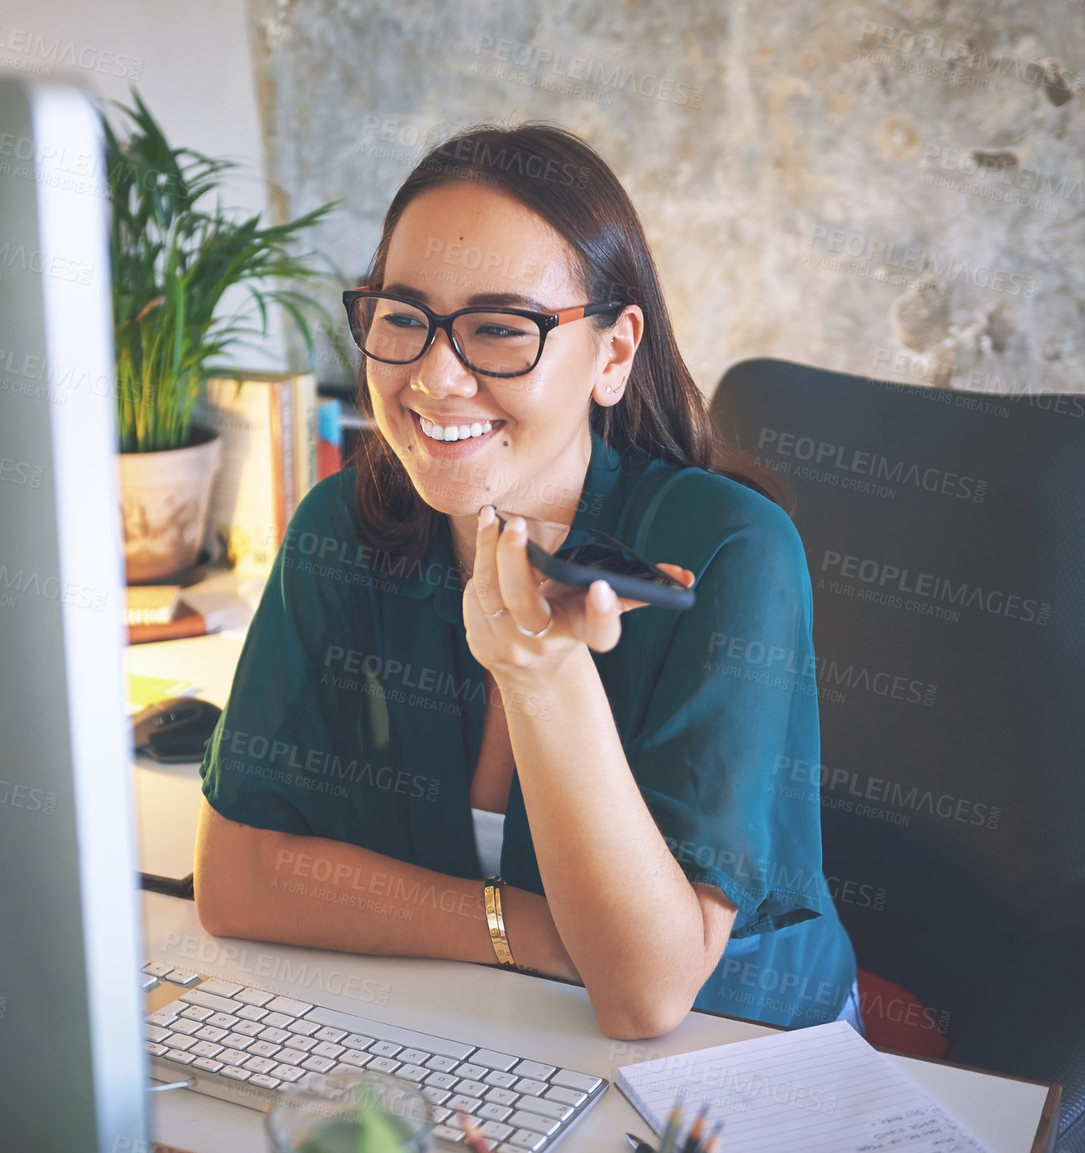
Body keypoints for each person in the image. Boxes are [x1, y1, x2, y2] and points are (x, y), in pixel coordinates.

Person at [193, 122, 859, 1040]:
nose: (434, 376)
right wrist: (534, 933)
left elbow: (644, 992)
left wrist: (545, 673)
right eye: (401, 317)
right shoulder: (339, 528)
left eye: (501, 329)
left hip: (741, 1047)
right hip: (482, 1023)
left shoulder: (735, 551)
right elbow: (236, 880)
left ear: (615, 354)